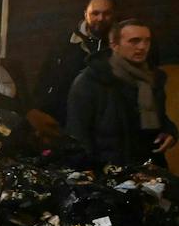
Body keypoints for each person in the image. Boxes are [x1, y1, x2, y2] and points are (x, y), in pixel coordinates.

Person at [66, 17, 175, 167]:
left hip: (151, 170)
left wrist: (169, 132)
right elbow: (78, 135)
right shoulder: (91, 81)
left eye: (147, 41)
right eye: (134, 41)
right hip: (112, 173)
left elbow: (158, 118)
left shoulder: (151, 79)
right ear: (114, 45)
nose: (142, 47)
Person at [35, 0, 116, 123]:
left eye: (106, 13)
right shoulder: (64, 43)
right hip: (65, 117)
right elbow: (46, 77)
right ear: (85, 14)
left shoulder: (121, 45)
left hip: (105, 119)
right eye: (95, 13)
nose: (101, 18)